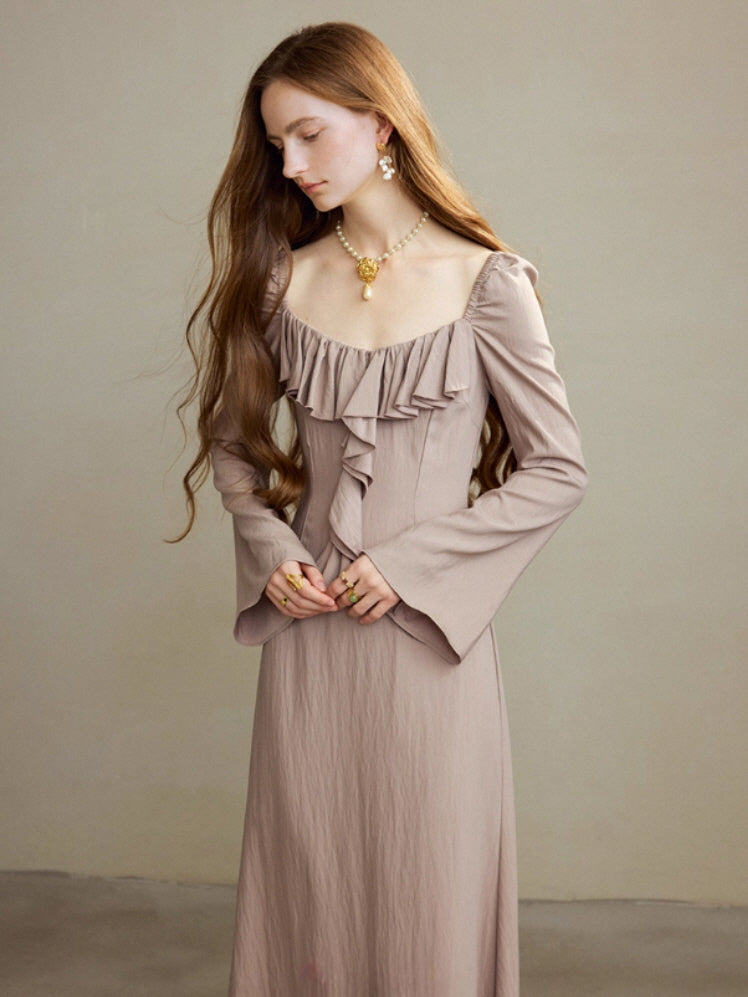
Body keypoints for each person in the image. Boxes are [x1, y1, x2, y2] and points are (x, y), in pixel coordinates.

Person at [176, 21, 587, 996]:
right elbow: (234, 448)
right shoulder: (283, 281)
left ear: (381, 122)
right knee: (308, 895)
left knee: (423, 899)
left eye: (309, 133)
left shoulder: (486, 284)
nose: (290, 161)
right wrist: (270, 542)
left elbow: (557, 468)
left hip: (427, 647)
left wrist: (409, 563)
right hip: (309, 643)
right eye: (278, 142)